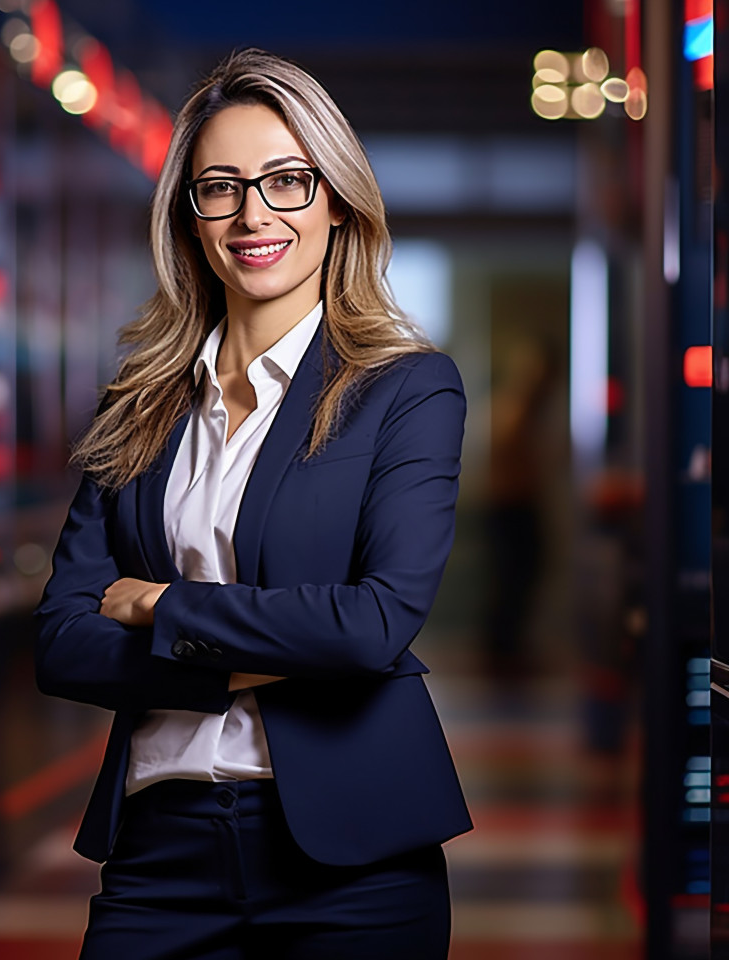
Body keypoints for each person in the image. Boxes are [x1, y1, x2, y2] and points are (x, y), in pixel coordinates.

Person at [34, 47, 472, 960]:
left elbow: (372, 624)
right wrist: (258, 654)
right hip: (161, 858)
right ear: (189, 216)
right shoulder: (141, 401)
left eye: (286, 180)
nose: (253, 213)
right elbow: (63, 642)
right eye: (221, 187)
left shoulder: (408, 391)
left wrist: (160, 607)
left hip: (354, 867)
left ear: (337, 199)